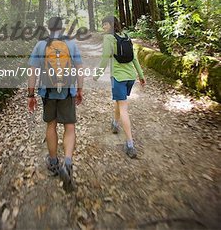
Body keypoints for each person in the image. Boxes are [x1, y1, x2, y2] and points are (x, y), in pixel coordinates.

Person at [27, 16, 83, 191]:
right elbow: (79, 69)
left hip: (48, 92)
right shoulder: (71, 44)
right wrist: (80, 90)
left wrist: (31, 95)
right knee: (70, 127)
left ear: (48, 28)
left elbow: (32, 71)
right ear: (63, 29)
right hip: (67, 92)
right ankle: (67, 162)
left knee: (51, 125)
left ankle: (53, 162)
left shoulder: (40, 45)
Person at [93, 16, 145, 158]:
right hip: (130, 77)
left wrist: (96, 75)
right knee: (119, 101)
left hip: (118, 77)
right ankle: (115, 124)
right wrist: (140, 75)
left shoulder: (109, 39)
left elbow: (104, 58)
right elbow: (134, 58)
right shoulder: (126, 36)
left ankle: (130, 144)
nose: (103, 27)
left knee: (123, 107)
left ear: (110, 25)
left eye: (105, 24)